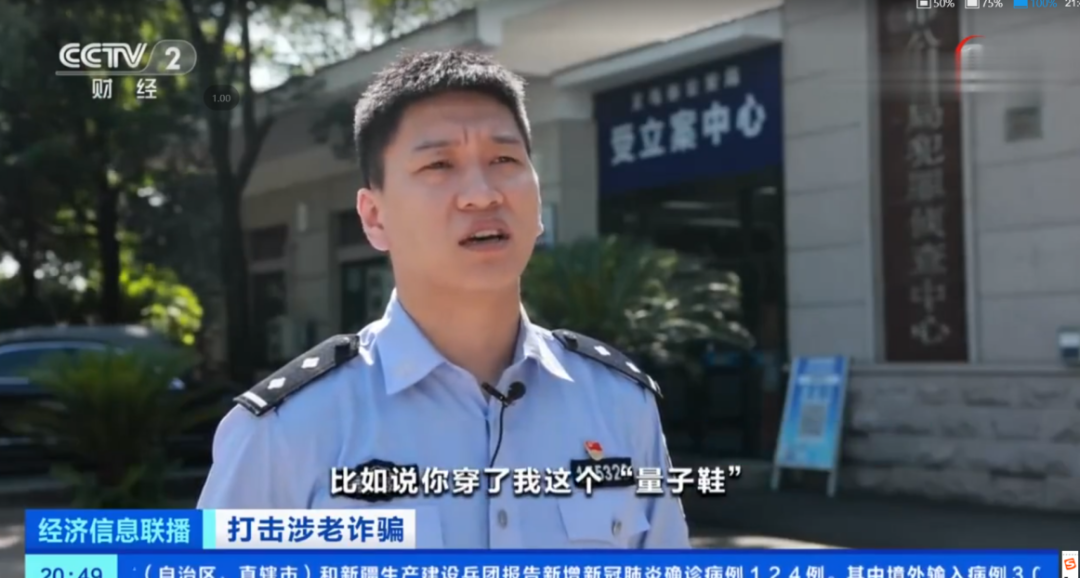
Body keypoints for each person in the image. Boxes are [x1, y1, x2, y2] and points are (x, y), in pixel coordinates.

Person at [197, 49, 690, 550]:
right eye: (439, 164)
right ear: (374, 217)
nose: (482, 194)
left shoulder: (619, 404)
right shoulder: (288, 430)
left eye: (504, 160)